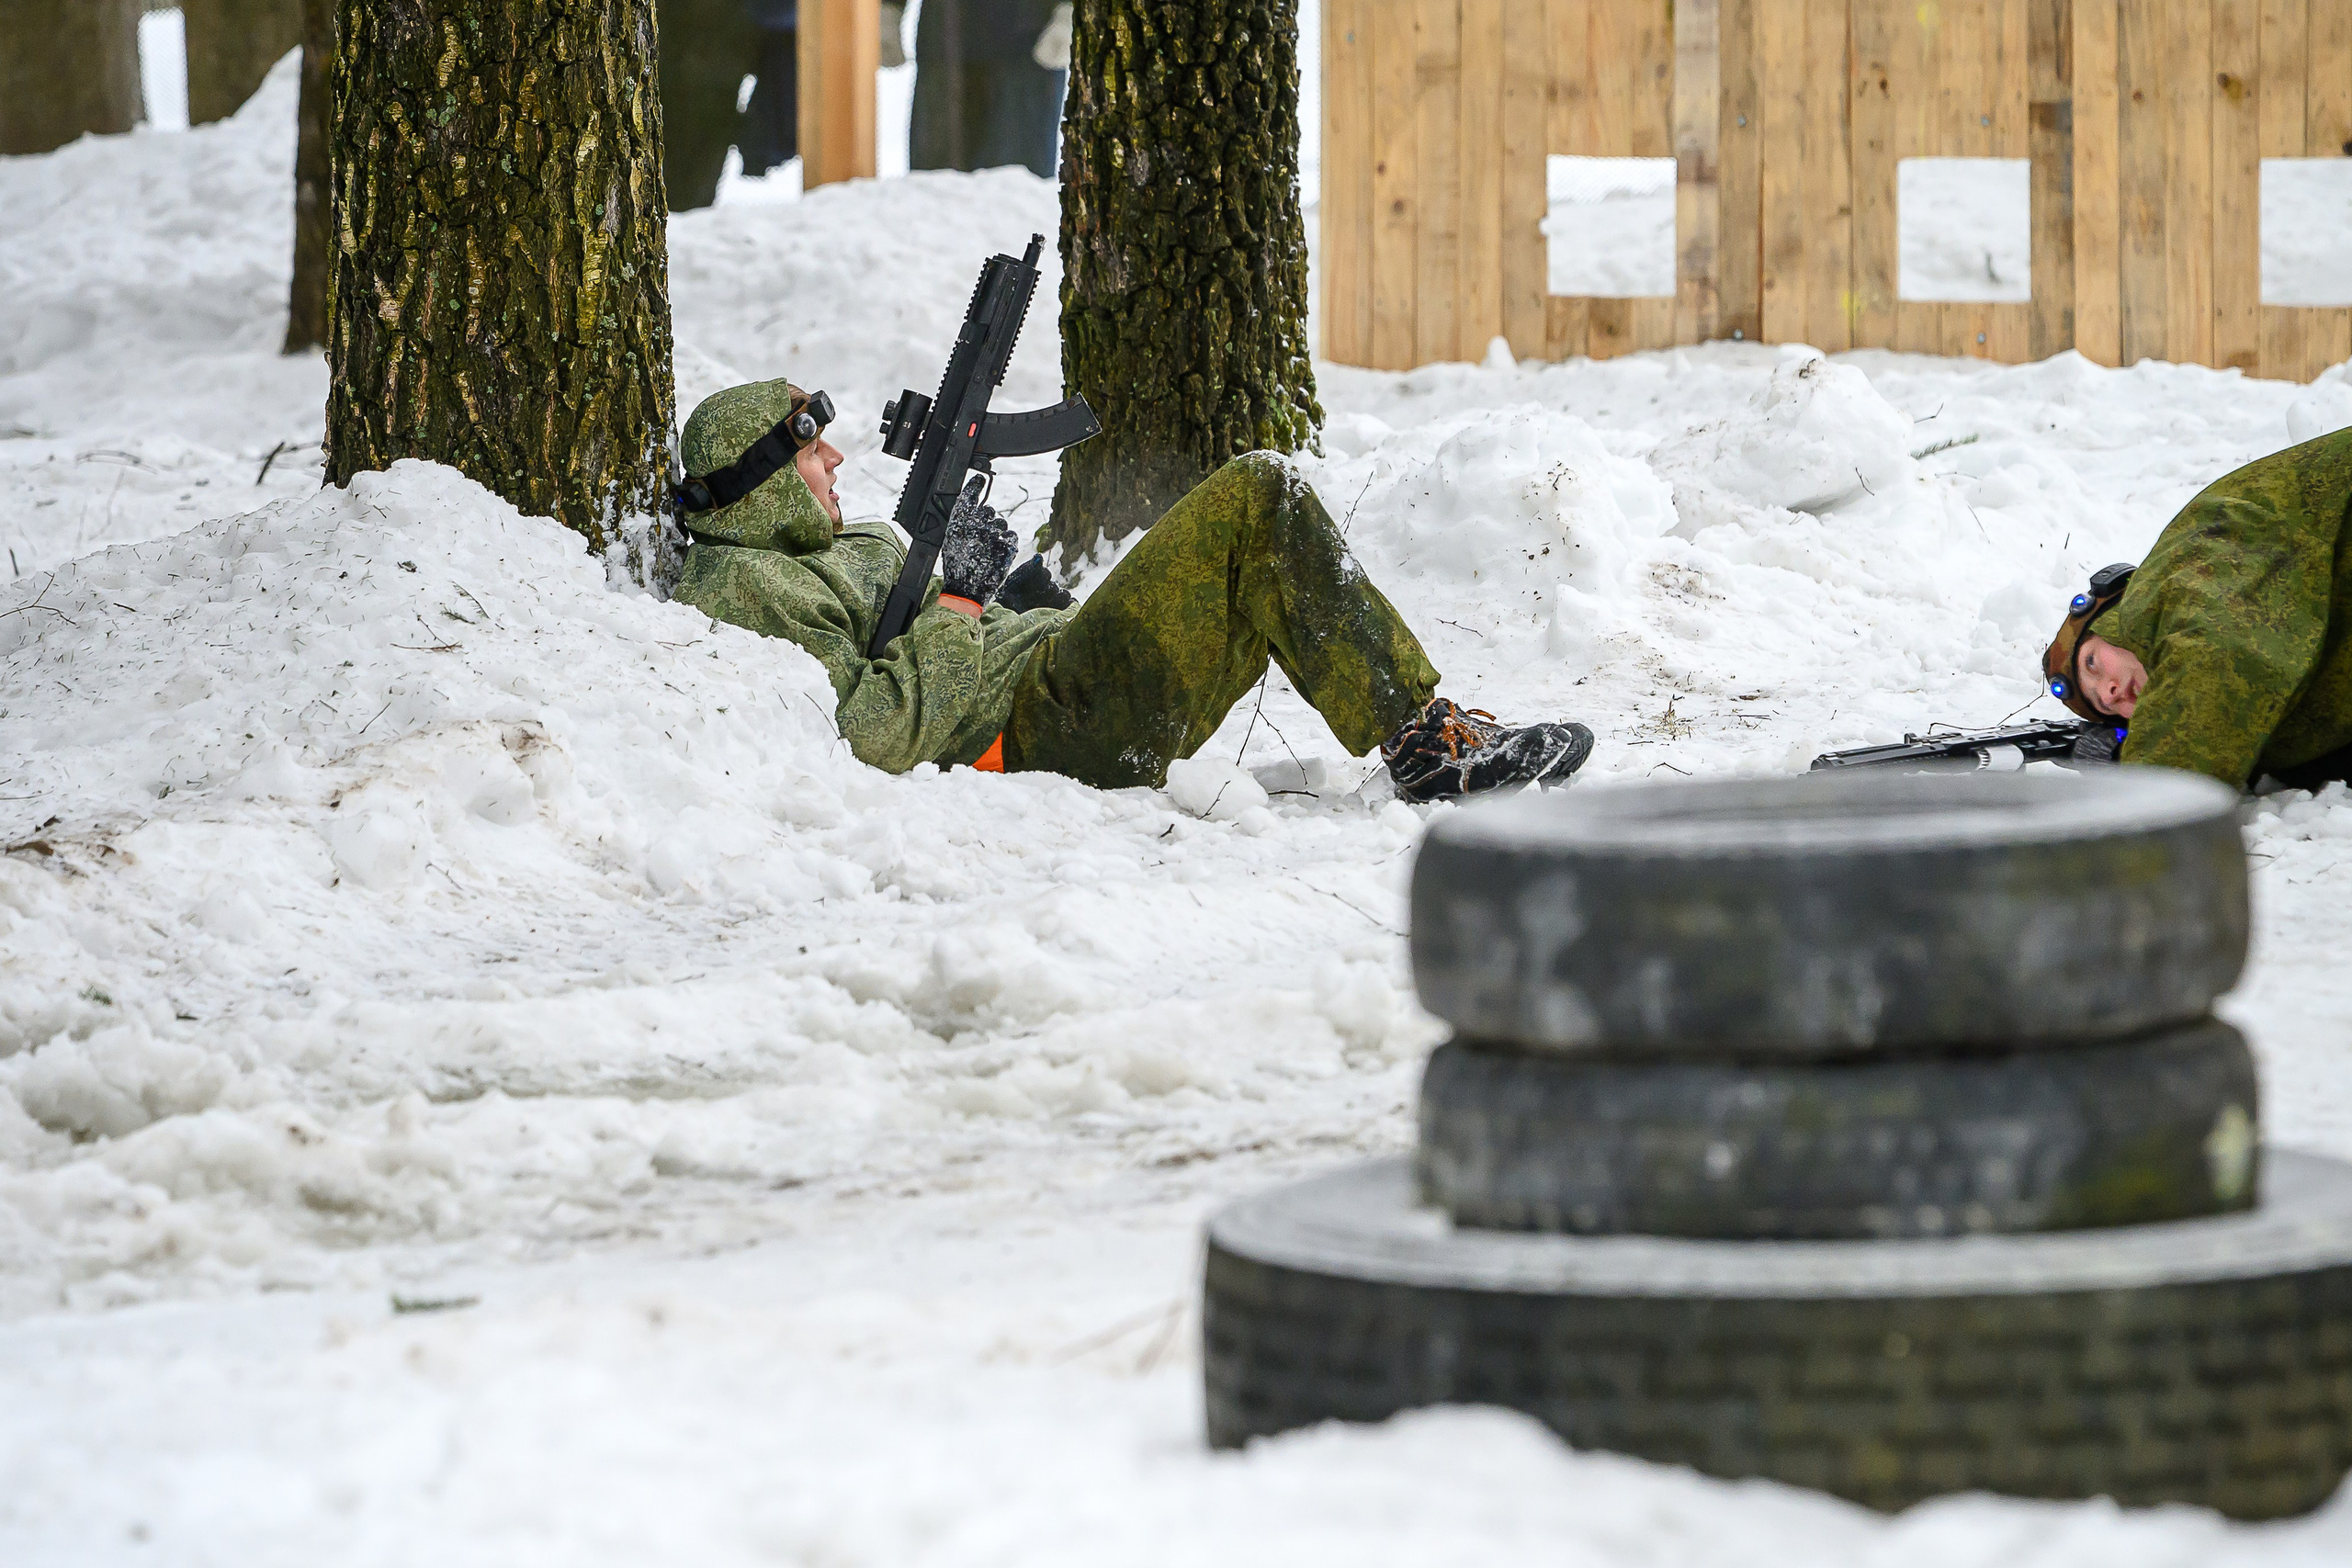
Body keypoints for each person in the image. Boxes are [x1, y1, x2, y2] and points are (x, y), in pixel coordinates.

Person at [668, 378, 1596, 801]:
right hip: (1039, 727)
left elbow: (929, 643)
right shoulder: (747, 584)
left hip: (1053, 686)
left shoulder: (848, 540)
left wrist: (1009, 600)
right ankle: (1425, 742)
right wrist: (958, 606)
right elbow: (874, 732)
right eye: (804, 445)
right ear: (756, 475)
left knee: (1254, 528)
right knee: (1257, 491)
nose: (832, 455)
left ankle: (1423, 730)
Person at [2041, 426, 2352, 791]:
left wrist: (2135, 783)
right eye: (2104, 706)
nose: (2109, 693)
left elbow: (2218, 655)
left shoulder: (2181, 572)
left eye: (2092, 662)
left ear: (2110, 612)